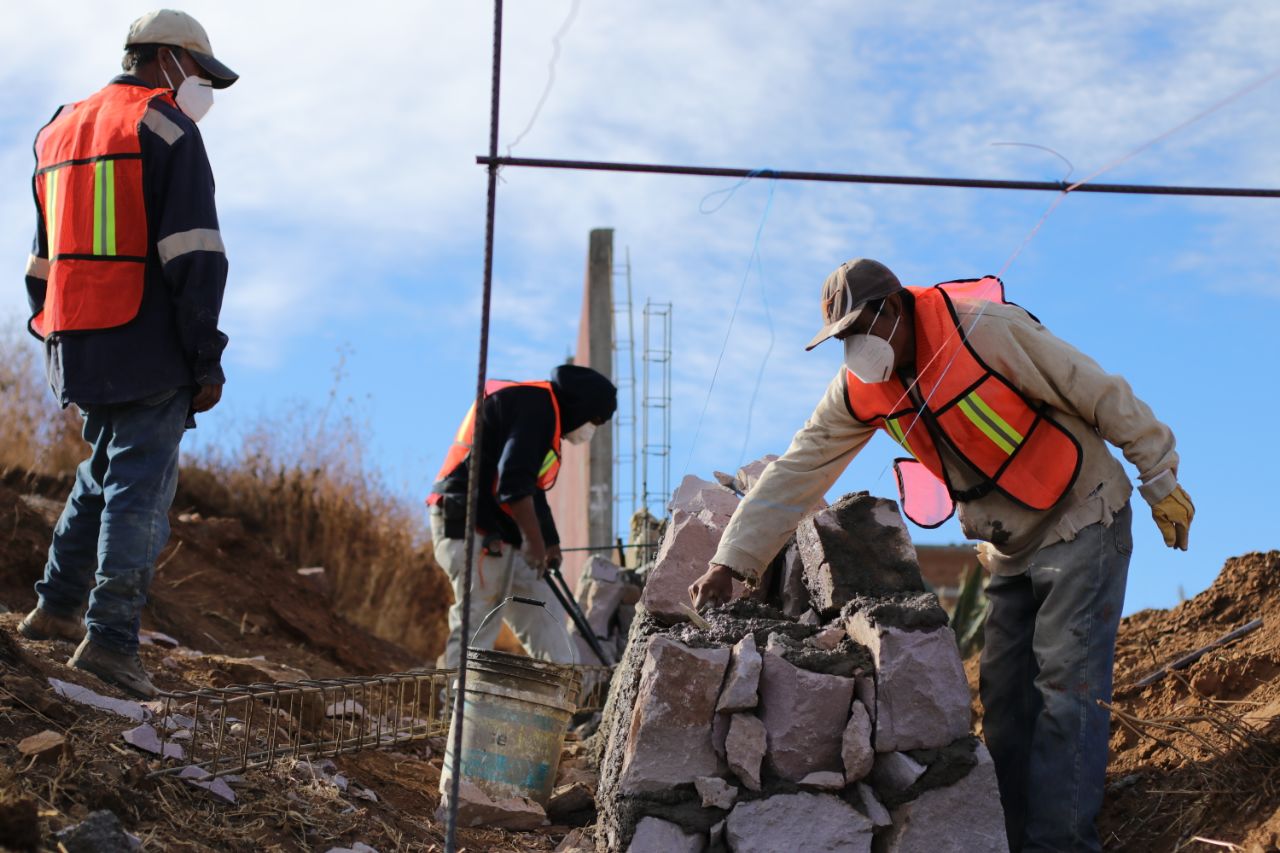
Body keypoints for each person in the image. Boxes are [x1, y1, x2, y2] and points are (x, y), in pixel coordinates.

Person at [689, 258, 1194, 852]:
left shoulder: (986, 330)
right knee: (1005, 703)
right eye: (843, 337)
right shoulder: (860, 390)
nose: (857, 347)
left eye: (863, 329)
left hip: (1085, 513)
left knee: (1067, 690)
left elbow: (1097, 389)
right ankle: (1005, 839)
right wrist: (732, 559)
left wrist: (1159, 476)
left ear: (896, 308)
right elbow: (800, 467)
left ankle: (1061, 844)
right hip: (1008, 545)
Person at [17, 10, 238, 699]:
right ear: (169, 59)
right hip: (144, 335)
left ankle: (54, 607)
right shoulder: (167, 128)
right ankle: (110, 640)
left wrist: (54, 329)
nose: (200, 89)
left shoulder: (58, 127)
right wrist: (205, 358)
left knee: (105, 467)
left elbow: (41, 257)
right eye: (200, 74)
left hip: (75, 335)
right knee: (141, 485)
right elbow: (195, 256)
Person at [428, 365, 617, 668]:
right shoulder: (535, 406)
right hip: (472, 527)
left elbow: (531, 489)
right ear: (582, 404)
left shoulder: (544, 413)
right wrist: (534, 540)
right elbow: (514, 483)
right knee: (478, 625)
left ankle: (560, 705)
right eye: (594, 420)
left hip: (502, 536)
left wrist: (549, 541)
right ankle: (455, 710)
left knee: (550, 629)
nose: (590, 430)